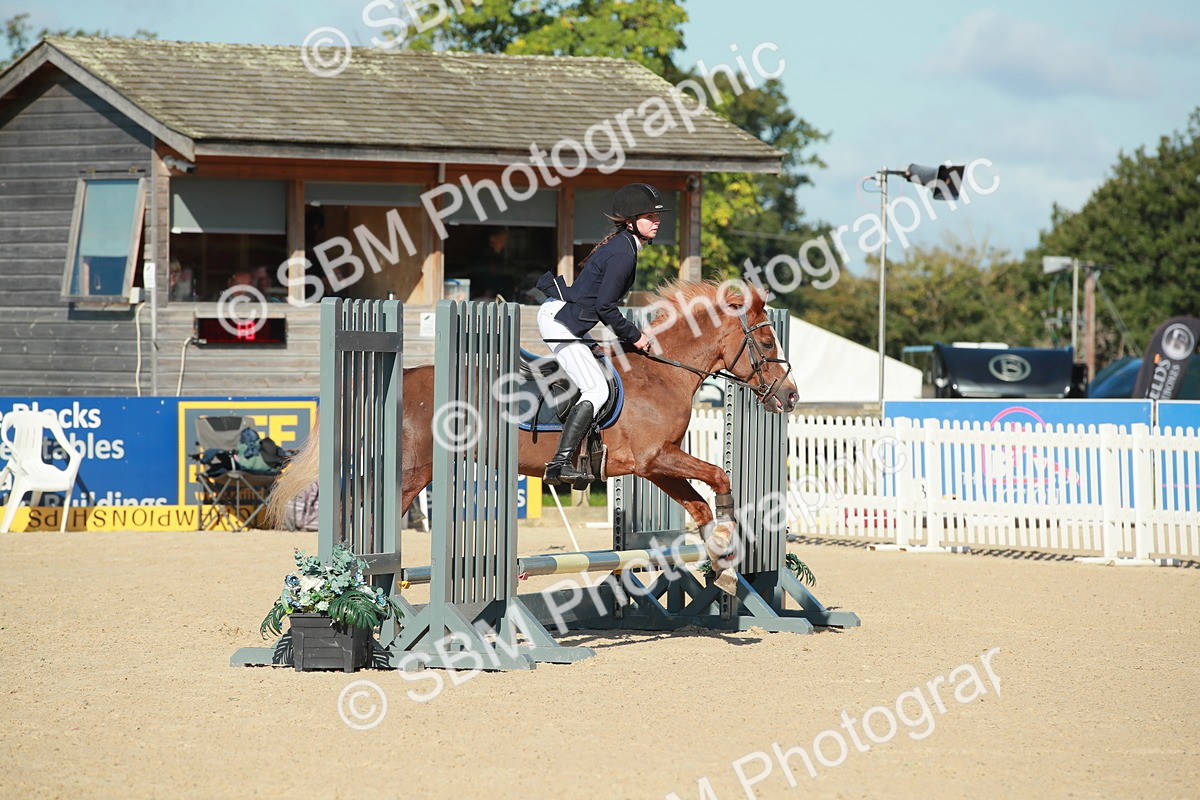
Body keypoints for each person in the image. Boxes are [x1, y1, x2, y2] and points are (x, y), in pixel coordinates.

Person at [534, 183, 666, 486]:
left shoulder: (625, 246)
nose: (657, 221)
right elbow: (606, 308)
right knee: (597, 391)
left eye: (657, 216)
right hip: (561, 323)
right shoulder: (623, 254)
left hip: (569, 320)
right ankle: (559, 463)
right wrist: (636, 337)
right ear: (631, 221)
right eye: (650, 216)